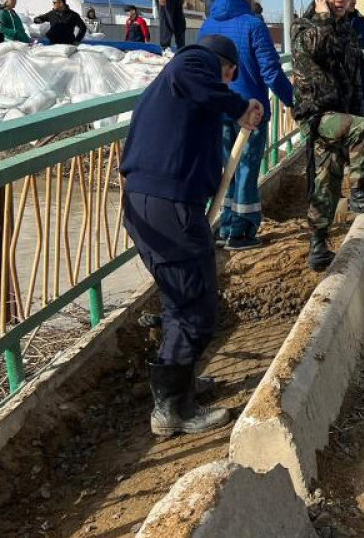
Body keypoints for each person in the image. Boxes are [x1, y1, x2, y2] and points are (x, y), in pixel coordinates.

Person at [121, 34, 264, 436]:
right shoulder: (193, 62)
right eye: (230, 76)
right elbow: (200, 80)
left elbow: (203, 102)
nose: (228, 82)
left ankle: (180, 385)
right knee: (194, 302)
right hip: (166, 206)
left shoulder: (181, 89)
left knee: (179, 296)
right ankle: (173, 411)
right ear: (226, 66)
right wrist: (239, 105)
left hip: (159, 202)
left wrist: (233, 112)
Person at [291, 0, 364, 271]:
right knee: (363, 129)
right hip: (317, 115)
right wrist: (322, 17)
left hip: (340, 112)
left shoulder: (345, 30)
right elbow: (313, 48)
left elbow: (352, 73)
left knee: (326, 180)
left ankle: (318, 245)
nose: (340, 0)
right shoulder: (305, 27)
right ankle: (358, 191)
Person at [200, 0, 294, 251]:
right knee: (246, 170)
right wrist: (292, 102)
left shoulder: (207, 26)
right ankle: (241, 232)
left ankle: (225, 226)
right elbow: (272, 73)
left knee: (227, 168)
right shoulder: (253, 24)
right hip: (250, 111)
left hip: (217, 110)